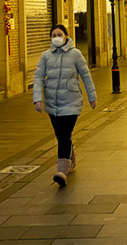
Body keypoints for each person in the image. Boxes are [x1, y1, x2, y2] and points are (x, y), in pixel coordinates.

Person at [33, 24, 97, 187]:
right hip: (52, 103)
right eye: (53, 35)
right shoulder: (45, 56)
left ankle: (62, 171)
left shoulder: (75, 54)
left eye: (59, 34)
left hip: (71, 101)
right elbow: (39, 77)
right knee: (61, 135)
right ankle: (71, 160)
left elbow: (86, 76)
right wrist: (37, 98)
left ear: (66, 36)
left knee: (64, 134)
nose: (56, 37)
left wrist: (92, 96)